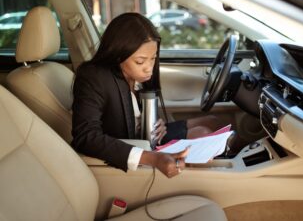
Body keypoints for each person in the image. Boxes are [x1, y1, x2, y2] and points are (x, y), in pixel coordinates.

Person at [71, 12, 222, 178]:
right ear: (118, 55)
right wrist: (153, 158)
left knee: (214, 122)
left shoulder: (136, 77)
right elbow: (86, 137)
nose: (149, 67)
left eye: (153, 58)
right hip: (132, 149)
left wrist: (158, 124)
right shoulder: (94, 77)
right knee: (203, 133)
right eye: (140, 61)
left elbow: (134, 115)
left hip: (147, 137)